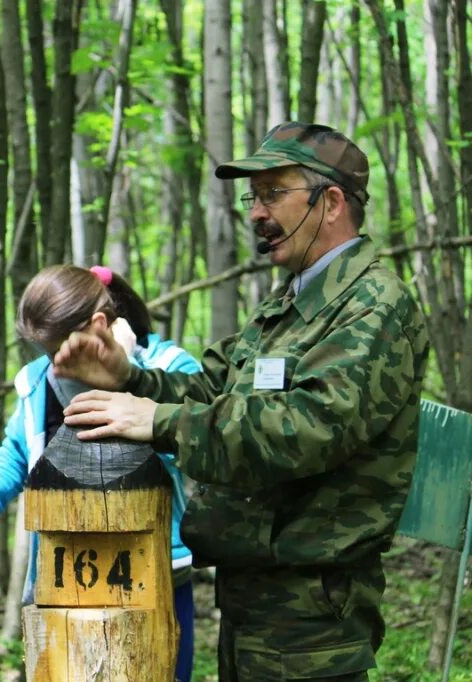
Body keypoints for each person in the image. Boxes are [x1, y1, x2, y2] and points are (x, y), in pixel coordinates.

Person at [57, 122, 430, 681]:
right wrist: (129, 377)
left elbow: (307, 428)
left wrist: (158, 421)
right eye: (252, 197)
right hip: (254, 598)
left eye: (273, 194)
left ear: (330, 203)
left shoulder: (373, 306)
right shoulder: (290, 303)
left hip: (313, 615)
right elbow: (215, 390)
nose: (256, 212)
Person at [0, 264, 199, 681]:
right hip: (64, 577)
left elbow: (199, 444)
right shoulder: (36, 383)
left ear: (99, 325)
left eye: (59, 349)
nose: (54, 363)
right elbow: (15, 455)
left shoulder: (168, 369)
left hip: (157, 573)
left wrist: (129, 376)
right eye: (44, 351)